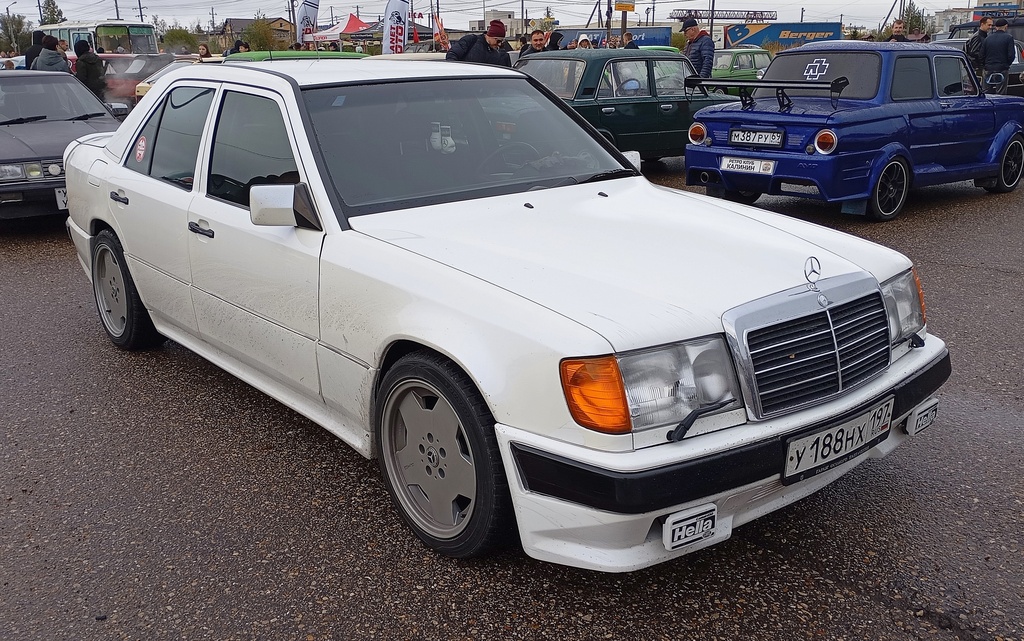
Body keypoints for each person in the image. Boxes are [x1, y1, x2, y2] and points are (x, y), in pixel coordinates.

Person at [445, 19, 511, 67]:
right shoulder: (471, 41)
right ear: (490, 36)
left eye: (502, 41)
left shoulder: (499, 54)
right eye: (498, 41)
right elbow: (452, 54)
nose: (499, 44)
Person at [982, 18, 1015, 94]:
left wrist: (985, 65)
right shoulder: (1009, 38)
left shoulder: (987, 38)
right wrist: (1006, 65)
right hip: (1002, 68)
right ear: (1006, 27)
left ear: (996, 27)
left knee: (986, 92)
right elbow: (1011, 55)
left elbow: (981, 54)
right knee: (1001, 93)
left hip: (988, 68)